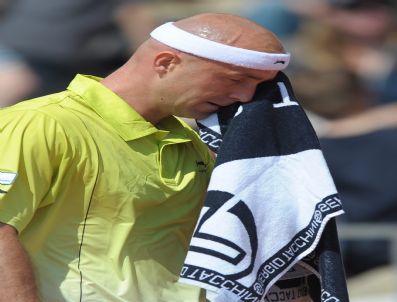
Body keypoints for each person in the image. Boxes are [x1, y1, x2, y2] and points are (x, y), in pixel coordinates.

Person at [0, 13, 289, 301]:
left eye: (257, 86)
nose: (245, 96)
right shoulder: (39, 124)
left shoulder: (194, 141)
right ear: (165, 62)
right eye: (236, 79)